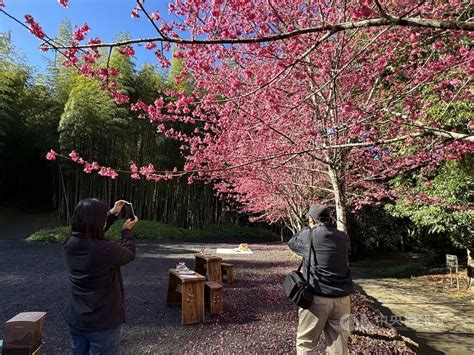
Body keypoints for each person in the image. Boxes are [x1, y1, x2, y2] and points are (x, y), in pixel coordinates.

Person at [63, 198, 138, 355]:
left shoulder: (70, 242)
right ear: (98, 222)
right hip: (102, 320)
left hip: (76, 316)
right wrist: (127, 232)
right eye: (103, 217)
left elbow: (92, 233)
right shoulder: (105, 249)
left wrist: (113, 213)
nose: (105, 219)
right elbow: (128, 254)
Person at [288, 204, 353, 355]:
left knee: (306, 343)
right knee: (339, 345)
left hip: (317, 297)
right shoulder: (343, 236)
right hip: (343, 299)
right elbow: (347, 252)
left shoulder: (308, 235)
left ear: (312, 219)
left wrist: (306, 229)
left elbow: (292, 243)